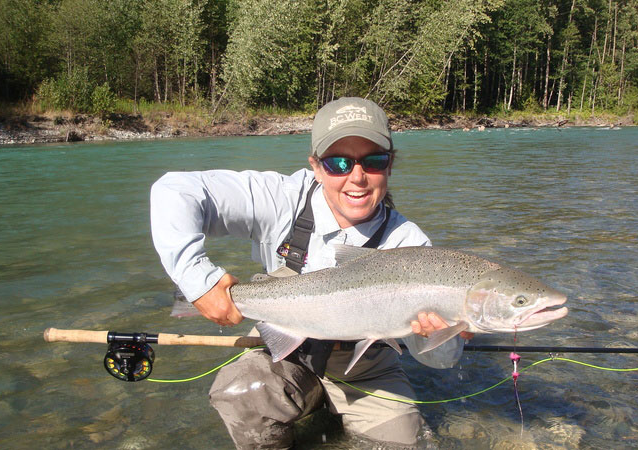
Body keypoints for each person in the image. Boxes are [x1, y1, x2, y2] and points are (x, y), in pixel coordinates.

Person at [150, 97, 471, 448]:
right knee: (240, 391)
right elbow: (173, 190)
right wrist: (198, 281)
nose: (357, 177)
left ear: (390, 165)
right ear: (316, 167)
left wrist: (437, 338)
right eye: (338, 163)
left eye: (374, 160)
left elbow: (441, 361)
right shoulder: (281, 199)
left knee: (404, 445)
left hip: (368, 370)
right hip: (289, 353)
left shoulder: (410, 244)